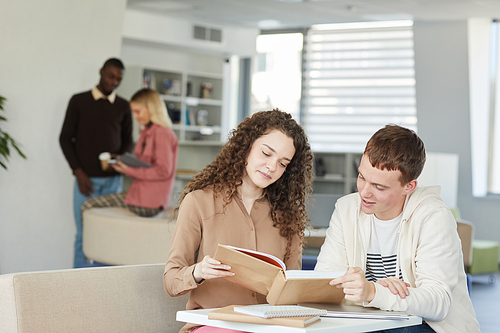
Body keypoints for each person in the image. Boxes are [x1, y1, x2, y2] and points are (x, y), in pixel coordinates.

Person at [315, 124, 480, 333]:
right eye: (362, 177)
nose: (364, 193)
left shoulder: (433, 217)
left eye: (379, 187)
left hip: (427, 326)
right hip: (368, 321)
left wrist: (372, 291)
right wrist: (373, 291)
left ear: (409, 187)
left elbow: (438, 303)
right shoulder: (346, 209)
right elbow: (325, 283)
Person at [164, 109, 314, 333]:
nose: (272, 167)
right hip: (214, 324)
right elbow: (171, 280)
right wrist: (199, 271)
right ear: (246, 147)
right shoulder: (198, 202)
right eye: (266, 153)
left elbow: (292, 290)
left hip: (269, 326)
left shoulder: (288, 217)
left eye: (283, 163)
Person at [59, 58, 133, 268]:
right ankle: (77, 283)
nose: (114, 82)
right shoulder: (79, 101)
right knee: (84, 234)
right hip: (86, 182)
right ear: (101, 72)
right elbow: (65, 138)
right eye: (111, 76)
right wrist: (79, 173)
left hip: (113, 183)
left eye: (119, 78)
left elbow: (128, 142)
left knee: (109, 234)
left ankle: (101, 284)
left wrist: (121, 158)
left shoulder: (123, 106)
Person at [81, 88, 178, 217]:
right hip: (140, 195)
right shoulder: (146, 132)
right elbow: (145, 164)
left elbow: (163, 171)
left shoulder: (162, 134)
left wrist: (128, 171)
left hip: (148, 202)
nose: (135, 116)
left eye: (138, 112)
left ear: (152, 108)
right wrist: (122, 159)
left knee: (87, 206)